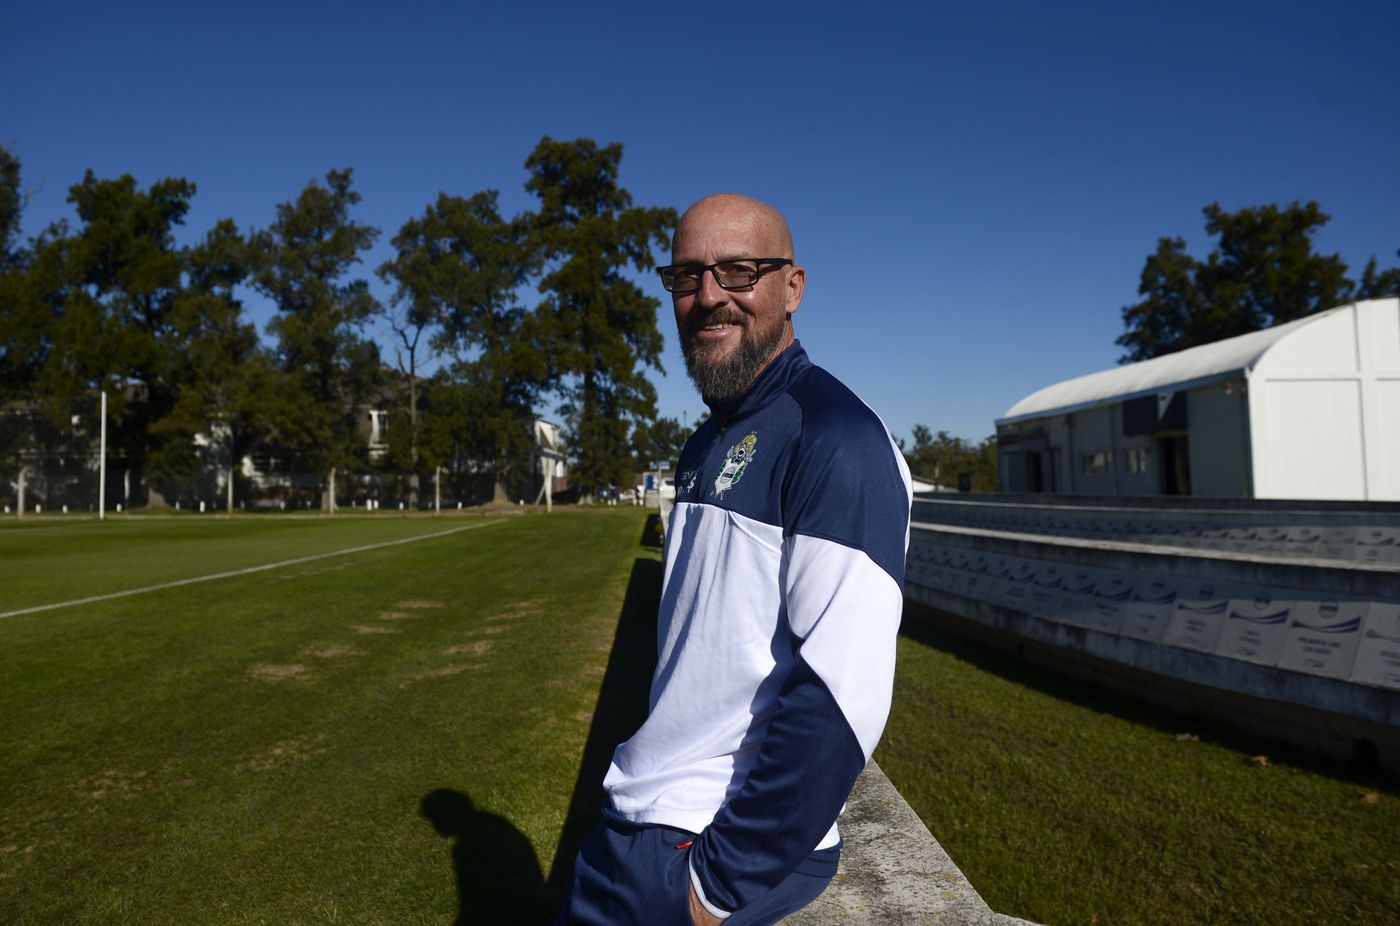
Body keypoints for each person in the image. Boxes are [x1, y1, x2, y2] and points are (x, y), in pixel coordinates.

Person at [558, 194, 912, 925]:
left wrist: (711, 889)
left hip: (696, 850)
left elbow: (844, 696)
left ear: (793, 287)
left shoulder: (838, 441)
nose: (708, 297)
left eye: (739, 271)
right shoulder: (707, 439)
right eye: (687, 278)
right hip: (641, 818)